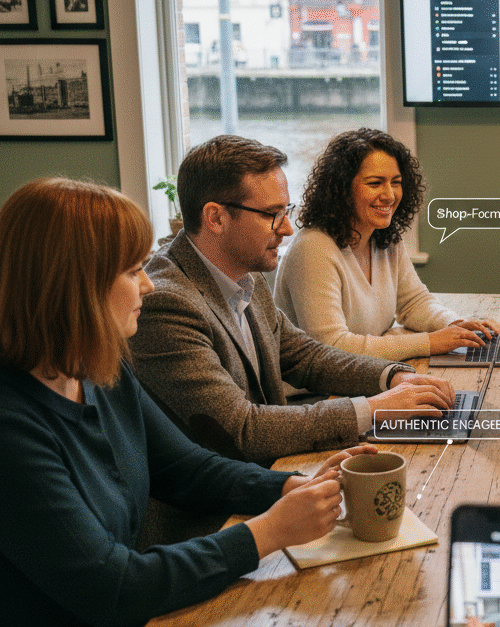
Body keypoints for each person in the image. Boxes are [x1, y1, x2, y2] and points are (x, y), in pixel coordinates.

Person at [0, 177, 378, 625]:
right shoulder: (12, 426)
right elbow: (115, 588)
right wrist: (269, 531)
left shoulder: (101, 369)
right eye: (131, 270)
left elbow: (185, 469)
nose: (148, 285)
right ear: (73, 286)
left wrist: (289, 486)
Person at [129, 135, 454, 465]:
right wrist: (373, 409)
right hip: (217, 509)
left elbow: (306, 356)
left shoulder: (245, 272)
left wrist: (394, 377)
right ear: (216, 218)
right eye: (272, 214)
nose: (286, 228)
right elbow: (244, 430)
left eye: (286, 211)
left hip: (266, 472)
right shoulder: (167, 303)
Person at [274, 128, 500, 362]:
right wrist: (431, 342)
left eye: (396, 182)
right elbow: (332, 347)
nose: (390, 195)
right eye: (375, 183)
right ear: (341, 189)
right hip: (315, 396)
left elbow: (413, 302)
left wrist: (455, 325)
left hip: (366, 376)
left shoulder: (384, 236)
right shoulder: (313, 248)